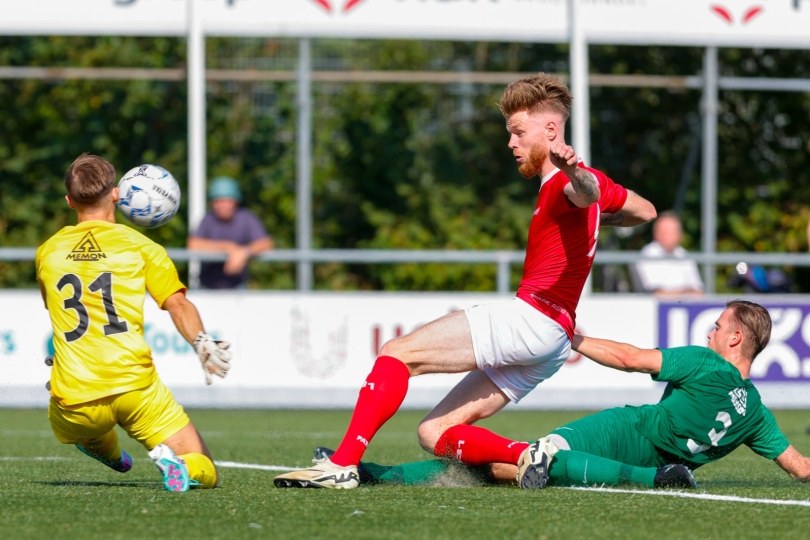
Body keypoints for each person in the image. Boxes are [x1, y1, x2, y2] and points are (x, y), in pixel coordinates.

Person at [273, 72, 657, 489]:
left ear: (550, 129)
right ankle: (527, 456)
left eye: (517, 132)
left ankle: (343, 463)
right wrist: (598, 208)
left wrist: (576, 174)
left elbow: (582, 192)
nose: (511, 143)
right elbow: (647, 211)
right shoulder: (582, 181)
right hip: (554, 341)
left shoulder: (567, 178)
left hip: (532, 318)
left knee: (397, 353)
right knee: (433, 432)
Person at [310, 300, 810, 490]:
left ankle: (369, 472)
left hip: (625, 433)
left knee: (532, 460)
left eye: (717, 325)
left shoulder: (706, 364)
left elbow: (634, 358)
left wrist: (577, 339)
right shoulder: (759, 415)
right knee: (508, 471)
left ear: (736, 339)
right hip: (658, 454)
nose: (710, 332)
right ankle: (372, 475)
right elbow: (800, 467)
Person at [35, 153, 233, 492]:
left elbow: (58, 313)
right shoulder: (142, 247)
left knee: (88, 430)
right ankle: (181, 467)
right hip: (136, 389)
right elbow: (178, 304)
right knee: (206, 468)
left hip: (76, 397)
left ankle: (111, 455)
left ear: (69, 201)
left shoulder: (48, 251)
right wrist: (202, 341)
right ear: (116, 194)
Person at [187, 176, 273, 289]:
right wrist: (227, 247)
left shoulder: (246, 218)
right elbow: (193, 244)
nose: (222, 205)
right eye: (218, 200)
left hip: (237, 287)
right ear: (212, 203)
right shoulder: (208, 219)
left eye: (226, 200)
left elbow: (266, 243)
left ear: (235, 201)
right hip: (206, 287)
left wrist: (244, 252)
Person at [633, 210, 704, 297]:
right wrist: (685, 292)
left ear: (680, 234)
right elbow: (655, 293)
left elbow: (698, 292)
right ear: (655, 233)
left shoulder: (684, 255)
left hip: (686, 307)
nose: (668, 236)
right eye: (665, 231)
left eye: (672, 232)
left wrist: (676, 293)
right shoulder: (647, 255)